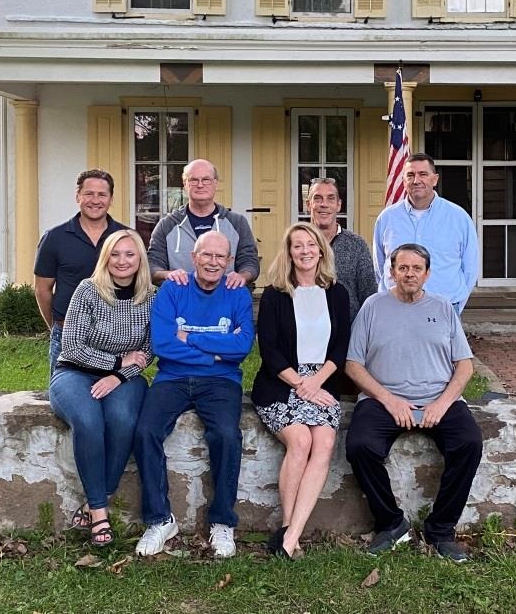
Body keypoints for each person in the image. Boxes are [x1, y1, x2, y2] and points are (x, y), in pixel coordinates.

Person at [345, 243, 482, 563]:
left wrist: (442, 404)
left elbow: (464, 366)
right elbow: (353, 365)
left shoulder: (443, 307)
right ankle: (391, 524)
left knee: (469, 444)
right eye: (403, 268)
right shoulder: (373, 306)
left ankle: (441, 530)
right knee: (360, 446)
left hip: (438, 398)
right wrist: (389, 400)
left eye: (416, 268)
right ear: (392, 272)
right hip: (383, 398)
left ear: (427, 274)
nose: (410, 274)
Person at [133, 231, 255, 558]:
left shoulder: (237, 293)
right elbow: (162, 344)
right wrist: (216, 353)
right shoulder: (173, 288)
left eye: (220, 257)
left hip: (221, 381)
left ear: (229, 261)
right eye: (206, 255)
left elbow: (242, 346)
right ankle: (160, 520)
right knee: (145, 431)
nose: (213, 262)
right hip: (172, 377)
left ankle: (222, 522)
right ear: (194, 257)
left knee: (226, 435)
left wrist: (189, 337)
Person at [48, 229, 153, 547]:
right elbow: (72, 346)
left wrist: (119, 376)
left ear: (140, 259)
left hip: (126, 379)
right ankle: (99, 511)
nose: (122, 261)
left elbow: (148, 351)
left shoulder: (152, 296)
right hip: (74, 373)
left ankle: (98, 496)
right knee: (89, 420)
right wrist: (116, 362)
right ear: (105, 258)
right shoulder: (88, 290)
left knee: (122, 419)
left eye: (130, 254)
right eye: (115, 254)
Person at [252, 222, 351, 558]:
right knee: (301, 440)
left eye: (311, 245)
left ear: (321, 250)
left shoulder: (337, 292)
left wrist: (316, 382)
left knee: (324, 442)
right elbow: (269, 351)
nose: (305, 251)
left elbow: (340, 347)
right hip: (281, 383)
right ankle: (287, 528)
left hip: (322, 381)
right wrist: (300, 384)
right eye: (298, 246)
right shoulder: (275, 294)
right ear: (289, 253)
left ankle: (290, 536)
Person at [34, 169, 127, 373]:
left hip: (114, 338)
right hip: (66, 334)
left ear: (111, 199)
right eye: (89, 194)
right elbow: (42, 289)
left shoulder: (125, 238)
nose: (95, 200)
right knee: (65, 392)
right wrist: (57, 326)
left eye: (102, 194)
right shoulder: (54, 238)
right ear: (78, 196)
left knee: (112, 392)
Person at [372, 154, 478, 313]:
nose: (416, 180)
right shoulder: (387, 218)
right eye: (410, 175)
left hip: (443, 309)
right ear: (403, 181)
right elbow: (380, 267)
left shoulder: (458, 218)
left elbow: (470, 269)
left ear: (435, 179)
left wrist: (455, 307)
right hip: (395, 309)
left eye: (423, 174)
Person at [147, 159, 260, 289]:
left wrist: (242, 276)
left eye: (206, 180)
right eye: (193, 180)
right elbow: (152, 264)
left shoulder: (237, 223)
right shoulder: (166, 225)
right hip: (180, 297)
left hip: (226, 296)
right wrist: (168, 275)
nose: (200, 185)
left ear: (215, 183)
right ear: (185, 184)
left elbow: (250, 261)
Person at [306, 177, 376, 322]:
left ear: (339, 205)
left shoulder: (356, 245)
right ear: (308, 205)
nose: (324, 204)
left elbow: (369, 296)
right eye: (318, 198)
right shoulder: (297, 245)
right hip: (305, 328)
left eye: (330, 199)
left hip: (349, 330)